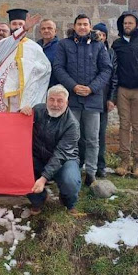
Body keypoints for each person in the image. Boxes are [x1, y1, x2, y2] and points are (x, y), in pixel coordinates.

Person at [53, 14, 112, 186]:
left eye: (85, 24)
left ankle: (91, 172)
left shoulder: (99, 46)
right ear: (74, 26)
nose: (82, 27)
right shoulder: (65, 44)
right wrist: (73, 86)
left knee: (93, 138)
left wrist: (92, 88)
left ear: (90, 26)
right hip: (72, 99)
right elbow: (58, 68)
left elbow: (106, 70)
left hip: (93, 99)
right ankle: (72, 171)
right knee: (72, 137)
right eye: (79, 24)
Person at [21, 85, 82, 216]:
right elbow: (17, 125)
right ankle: (38, 200)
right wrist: (22, 112)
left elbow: (60, 155)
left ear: (67, 102)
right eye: (51, 99)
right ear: (46, 100)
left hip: (64, 160)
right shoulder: (37, 110)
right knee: (21, 169)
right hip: (38, 157)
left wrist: (43, 178)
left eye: (60, 101)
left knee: (70, 180)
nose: (55, 104)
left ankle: (68, 202)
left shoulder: (72, 124)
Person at [110, 11, 138, 178]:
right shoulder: (117, 44)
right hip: (123, 90)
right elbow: (113, 68)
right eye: (125, 23)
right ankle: (124, 160)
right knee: (124, 126)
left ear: (136, 25)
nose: (127, 25)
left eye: (130, 23)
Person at [0, 9, 51, 112]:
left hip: (25, 92)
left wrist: (25, 65)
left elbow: (46, 69)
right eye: (14, 24)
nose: (18, 27)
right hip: (3, 93)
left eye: (21, 24)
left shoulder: (34, 47)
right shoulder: (3, 45)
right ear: (9, 25)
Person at [83, 22, 116, 178]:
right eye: (98, 34)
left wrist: (111, 98)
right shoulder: (85, 50)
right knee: (84, 134)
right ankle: (83, 163)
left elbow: (113, 77)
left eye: (103, 35)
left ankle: (100, 166)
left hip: (102, 99)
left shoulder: (110, 53)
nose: (100, 37)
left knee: (99, 135)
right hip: (86, 98)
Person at [37, 19, 59, 87]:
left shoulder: (61, 47)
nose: (46, 30)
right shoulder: (35, 47)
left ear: (55, 31)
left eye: (49, 28)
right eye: (43, 29)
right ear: (40, 32)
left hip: (54, 86)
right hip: (38, 86)